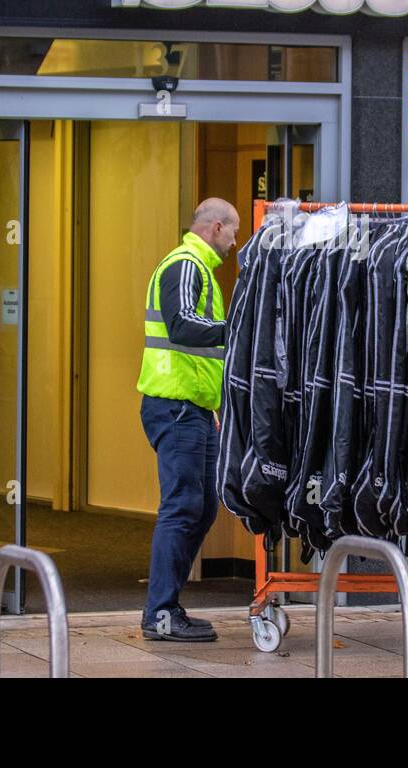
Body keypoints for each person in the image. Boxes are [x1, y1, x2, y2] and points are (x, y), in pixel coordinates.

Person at [136, 198, 238, 642]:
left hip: (194, 407)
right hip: (175, 406)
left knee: (202, 507)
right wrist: (238, 328)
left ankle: (168, 606)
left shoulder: (198, 270)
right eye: (233, 232)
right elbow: (181, 326)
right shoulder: (186, 266)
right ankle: (160, 614)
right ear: (216, 227)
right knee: (182, 508)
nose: (235, 242)